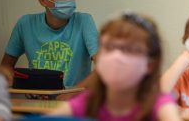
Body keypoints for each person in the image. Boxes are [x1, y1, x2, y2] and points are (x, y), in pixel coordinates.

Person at [51, 12, 180, 121]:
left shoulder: (159, 104)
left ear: (150, 64)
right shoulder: (87, 102)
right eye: (109, 47)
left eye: (129, 49)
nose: (116, 56)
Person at [0, 0, 98, 90]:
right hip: (36, 102)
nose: (69, 0)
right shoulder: (25, 24)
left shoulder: (84, 21)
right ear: (43, 1)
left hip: (72, 104)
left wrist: (72, 94)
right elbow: (5, 67)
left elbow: (104, 67)